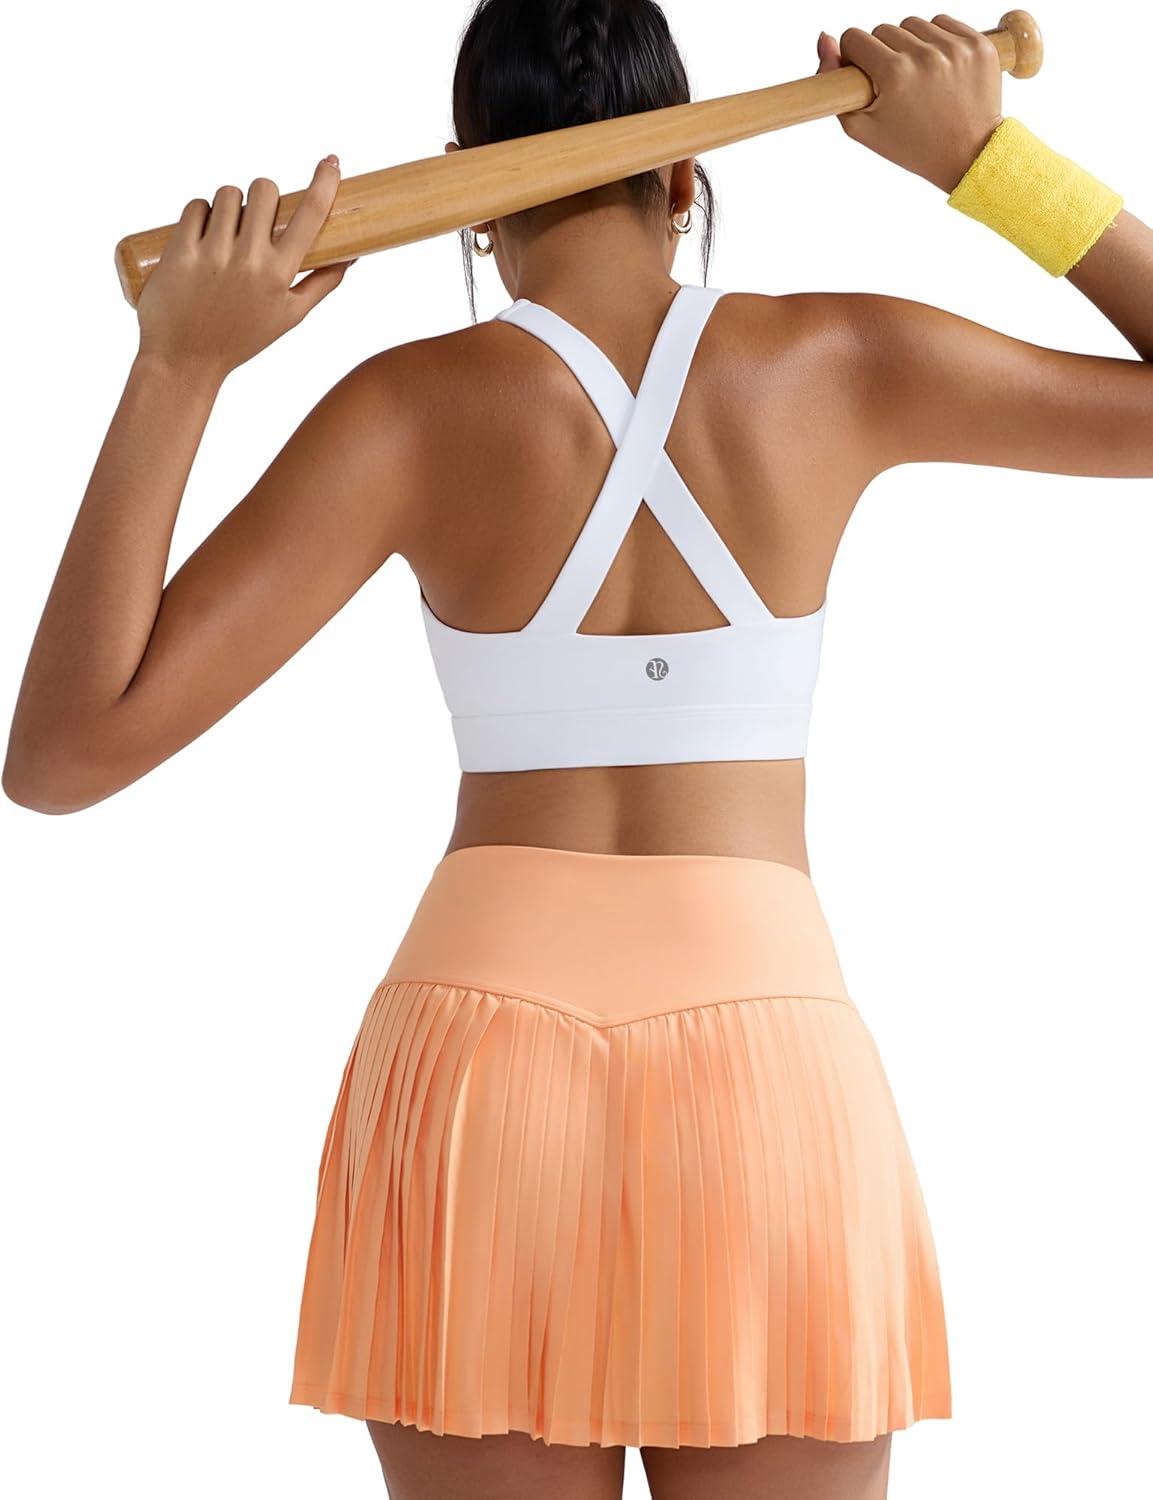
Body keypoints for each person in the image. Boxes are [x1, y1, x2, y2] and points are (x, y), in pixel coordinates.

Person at [4, 3, 1150, 1498]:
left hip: (478, 1078)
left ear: (474, 206)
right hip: (768, 1069)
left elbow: (63, 756)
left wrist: (180, 368)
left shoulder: (406, 411)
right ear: (682, 178)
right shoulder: (842, 359)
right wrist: (987, 159)